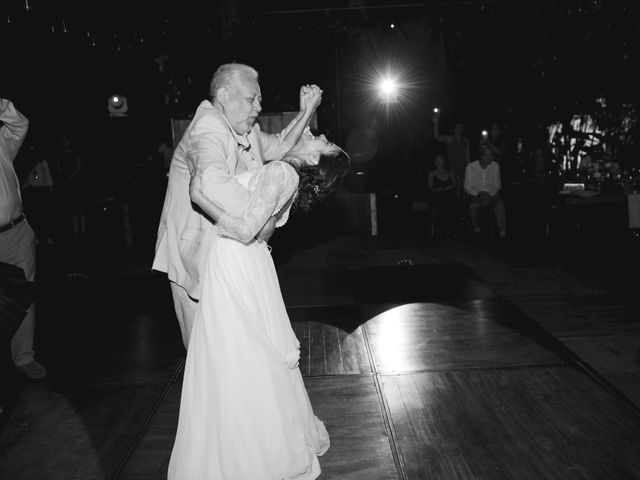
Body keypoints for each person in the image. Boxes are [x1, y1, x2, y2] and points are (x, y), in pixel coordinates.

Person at [168, 129, 350, 480]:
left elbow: (248, 229)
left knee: (233, 353)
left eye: (325, 142)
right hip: (249, 265)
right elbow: (266, 230)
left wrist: (198, 195)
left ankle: (245, 451)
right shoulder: (287, 174)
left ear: (314, 159)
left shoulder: (282, 172)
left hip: (235, 260)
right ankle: (254, 440)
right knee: (245, 352)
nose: (322, 134)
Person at [153, 63, 322, 349]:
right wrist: (261, 221)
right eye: (250, 99)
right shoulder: (207, 128)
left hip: (230, 257)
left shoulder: (246, 129)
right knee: (205, 355)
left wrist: (306, 111)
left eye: (259, 100)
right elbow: (213, 185)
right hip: (198, 259)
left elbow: (280, 146)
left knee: (238, 351)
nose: (258, 107)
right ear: (223, 95)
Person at [0, 98, 47, 380]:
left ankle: (24, 357)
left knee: (24, 296)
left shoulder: (2, 143)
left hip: (16, 232)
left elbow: (20, 123)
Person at [464, 145, 507, 238]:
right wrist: (479, 194)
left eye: (491, 155)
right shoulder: (471, 167)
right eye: (488, 155)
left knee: (500, 205)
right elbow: (467, 186)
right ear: (482, 156)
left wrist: (490, 195)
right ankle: (476, 227)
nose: (491, 157)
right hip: (476, 193)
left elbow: (497, 185)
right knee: (473, 206)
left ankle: (502, 230)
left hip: (491, 193)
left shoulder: (495, 166)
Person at [433, 112, 470, 199]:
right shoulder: (449, 139)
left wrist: (469, 170)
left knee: (465, 192)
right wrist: (435, 124)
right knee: (455, 191)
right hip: (452, 170)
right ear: (454, 129)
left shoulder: (466, 140)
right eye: (457, 127)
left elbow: (467, 155)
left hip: (463, 169)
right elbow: (436, 136)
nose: (458, 129)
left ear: (462, 129)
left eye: (460, 127)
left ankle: (463, 208)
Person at [427, 154, 458, 237]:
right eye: (437, 160)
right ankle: (446, 227)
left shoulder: (450, 172)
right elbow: (430, 188)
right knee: (443, 200)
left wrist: (450, 187)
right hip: (437, 196)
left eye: (440, 160)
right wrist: (437, 189)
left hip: (449, 194)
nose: (438, 162)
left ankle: (451, 227)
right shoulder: (432, 174)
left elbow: (455, 185)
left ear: (444, 162)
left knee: (451, 199)